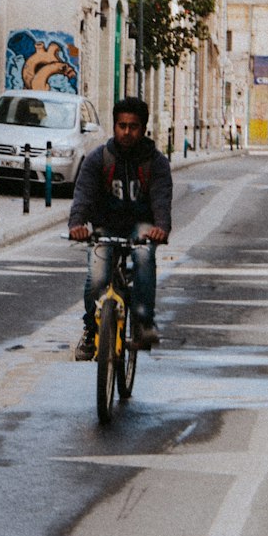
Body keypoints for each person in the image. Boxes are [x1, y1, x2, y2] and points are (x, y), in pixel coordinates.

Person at [68, 96, 172, 360]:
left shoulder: (156, 162)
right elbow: (83, 194)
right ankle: (91, 331)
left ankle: (142, 323)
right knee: (98, 277)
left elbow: (161, 198)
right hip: (106, 225)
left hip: (141, 228)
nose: (127, 132)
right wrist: (77, 224)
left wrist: (161, 227)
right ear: (114, 126)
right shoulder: (98, 159)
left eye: (133, 126)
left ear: (143, 129)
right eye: (122, 125)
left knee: (144, 257)